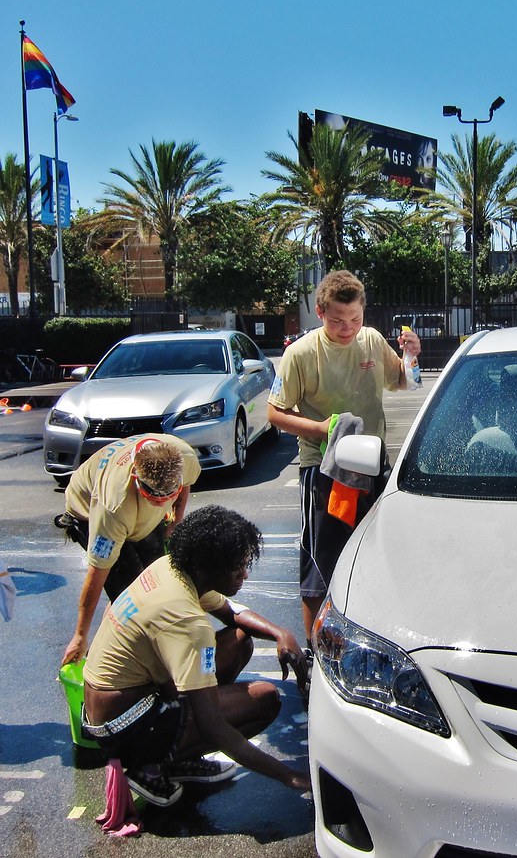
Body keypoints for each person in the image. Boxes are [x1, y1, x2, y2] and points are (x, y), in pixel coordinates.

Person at [81, 504, 311, 807]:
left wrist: (282, 634)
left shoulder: (172, 567)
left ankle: (172, 749)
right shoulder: (187, 622)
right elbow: (213, 726)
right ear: (208, 567)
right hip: (123, 724)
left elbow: (232, 613)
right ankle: (153, 764)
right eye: (236, 567)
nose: (244, 574)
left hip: (111, 705)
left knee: (239, 640)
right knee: (265, 698)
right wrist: (288, 776)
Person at [267, 270, 421, 642]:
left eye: (355, 319)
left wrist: (411, 355)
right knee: (320, 565)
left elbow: (403, 380)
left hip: (373, 466)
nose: (347, 328)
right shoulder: (299, 353)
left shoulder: (370, 341)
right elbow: (274, 413)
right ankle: (314, 656)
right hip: (323, 470)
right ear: (320, 312)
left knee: (374, 557)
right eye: (337, 320)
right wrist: (322, 430)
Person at [57, 434, 202, 667]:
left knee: (159, 584)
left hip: (142, 517)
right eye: (153, 493)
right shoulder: (112, 505)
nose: (160, 500)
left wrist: (176, 520)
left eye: (167, 494)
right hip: (89, 511)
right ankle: (115, 661)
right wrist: (80, 635)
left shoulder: (184, 457)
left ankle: (135, 643)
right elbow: (97, 573)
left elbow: (184, 484)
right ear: (136, 476)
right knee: (135, 603)